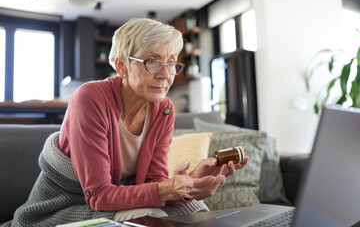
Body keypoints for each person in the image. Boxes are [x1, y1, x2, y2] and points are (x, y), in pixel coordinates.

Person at [6, 18, 249, 227]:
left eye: (172, 62)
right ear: (122, 66)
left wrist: (190, 184)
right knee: (156, 216)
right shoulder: (90, 98)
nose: (166, 74)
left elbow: (153, 183)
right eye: (152, 61)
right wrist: (170, 189)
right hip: (63, 205)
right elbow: (99, 195)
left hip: (117, 200)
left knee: (195, 210)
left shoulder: (164, 109)